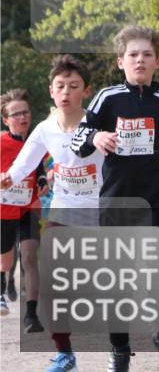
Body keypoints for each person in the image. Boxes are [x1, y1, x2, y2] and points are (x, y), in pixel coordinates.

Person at [71, 25, 159, 372]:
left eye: (147, 55)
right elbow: (79, 139)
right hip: (116, 203)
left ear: (158, 62)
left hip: (156, 200)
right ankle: (119, 350)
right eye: (133, 55)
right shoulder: (107, 98)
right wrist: (97, 138)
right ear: (121, 62)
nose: (140, 60)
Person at [2, 56, 102, 372]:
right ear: (50, 91)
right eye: (60, 86)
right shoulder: (45, 129)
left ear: (85, 91)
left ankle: (119, 348)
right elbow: (24, 164)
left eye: (73, 86)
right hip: (63, 211)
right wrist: (8, 178)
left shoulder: (99, 125)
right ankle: (65, 353)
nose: (66, 92)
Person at [0, 88, 47, 333]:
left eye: (25, 112)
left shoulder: (38, 140)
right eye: (15, 114)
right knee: (5, 260)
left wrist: (43, 180)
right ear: (6, 120)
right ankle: (2, 286)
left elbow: (40, 166)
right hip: (3, 211)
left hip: (28, 208)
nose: (22, 117)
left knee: (29, 257)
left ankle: (31, 315)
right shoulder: (1, 141)